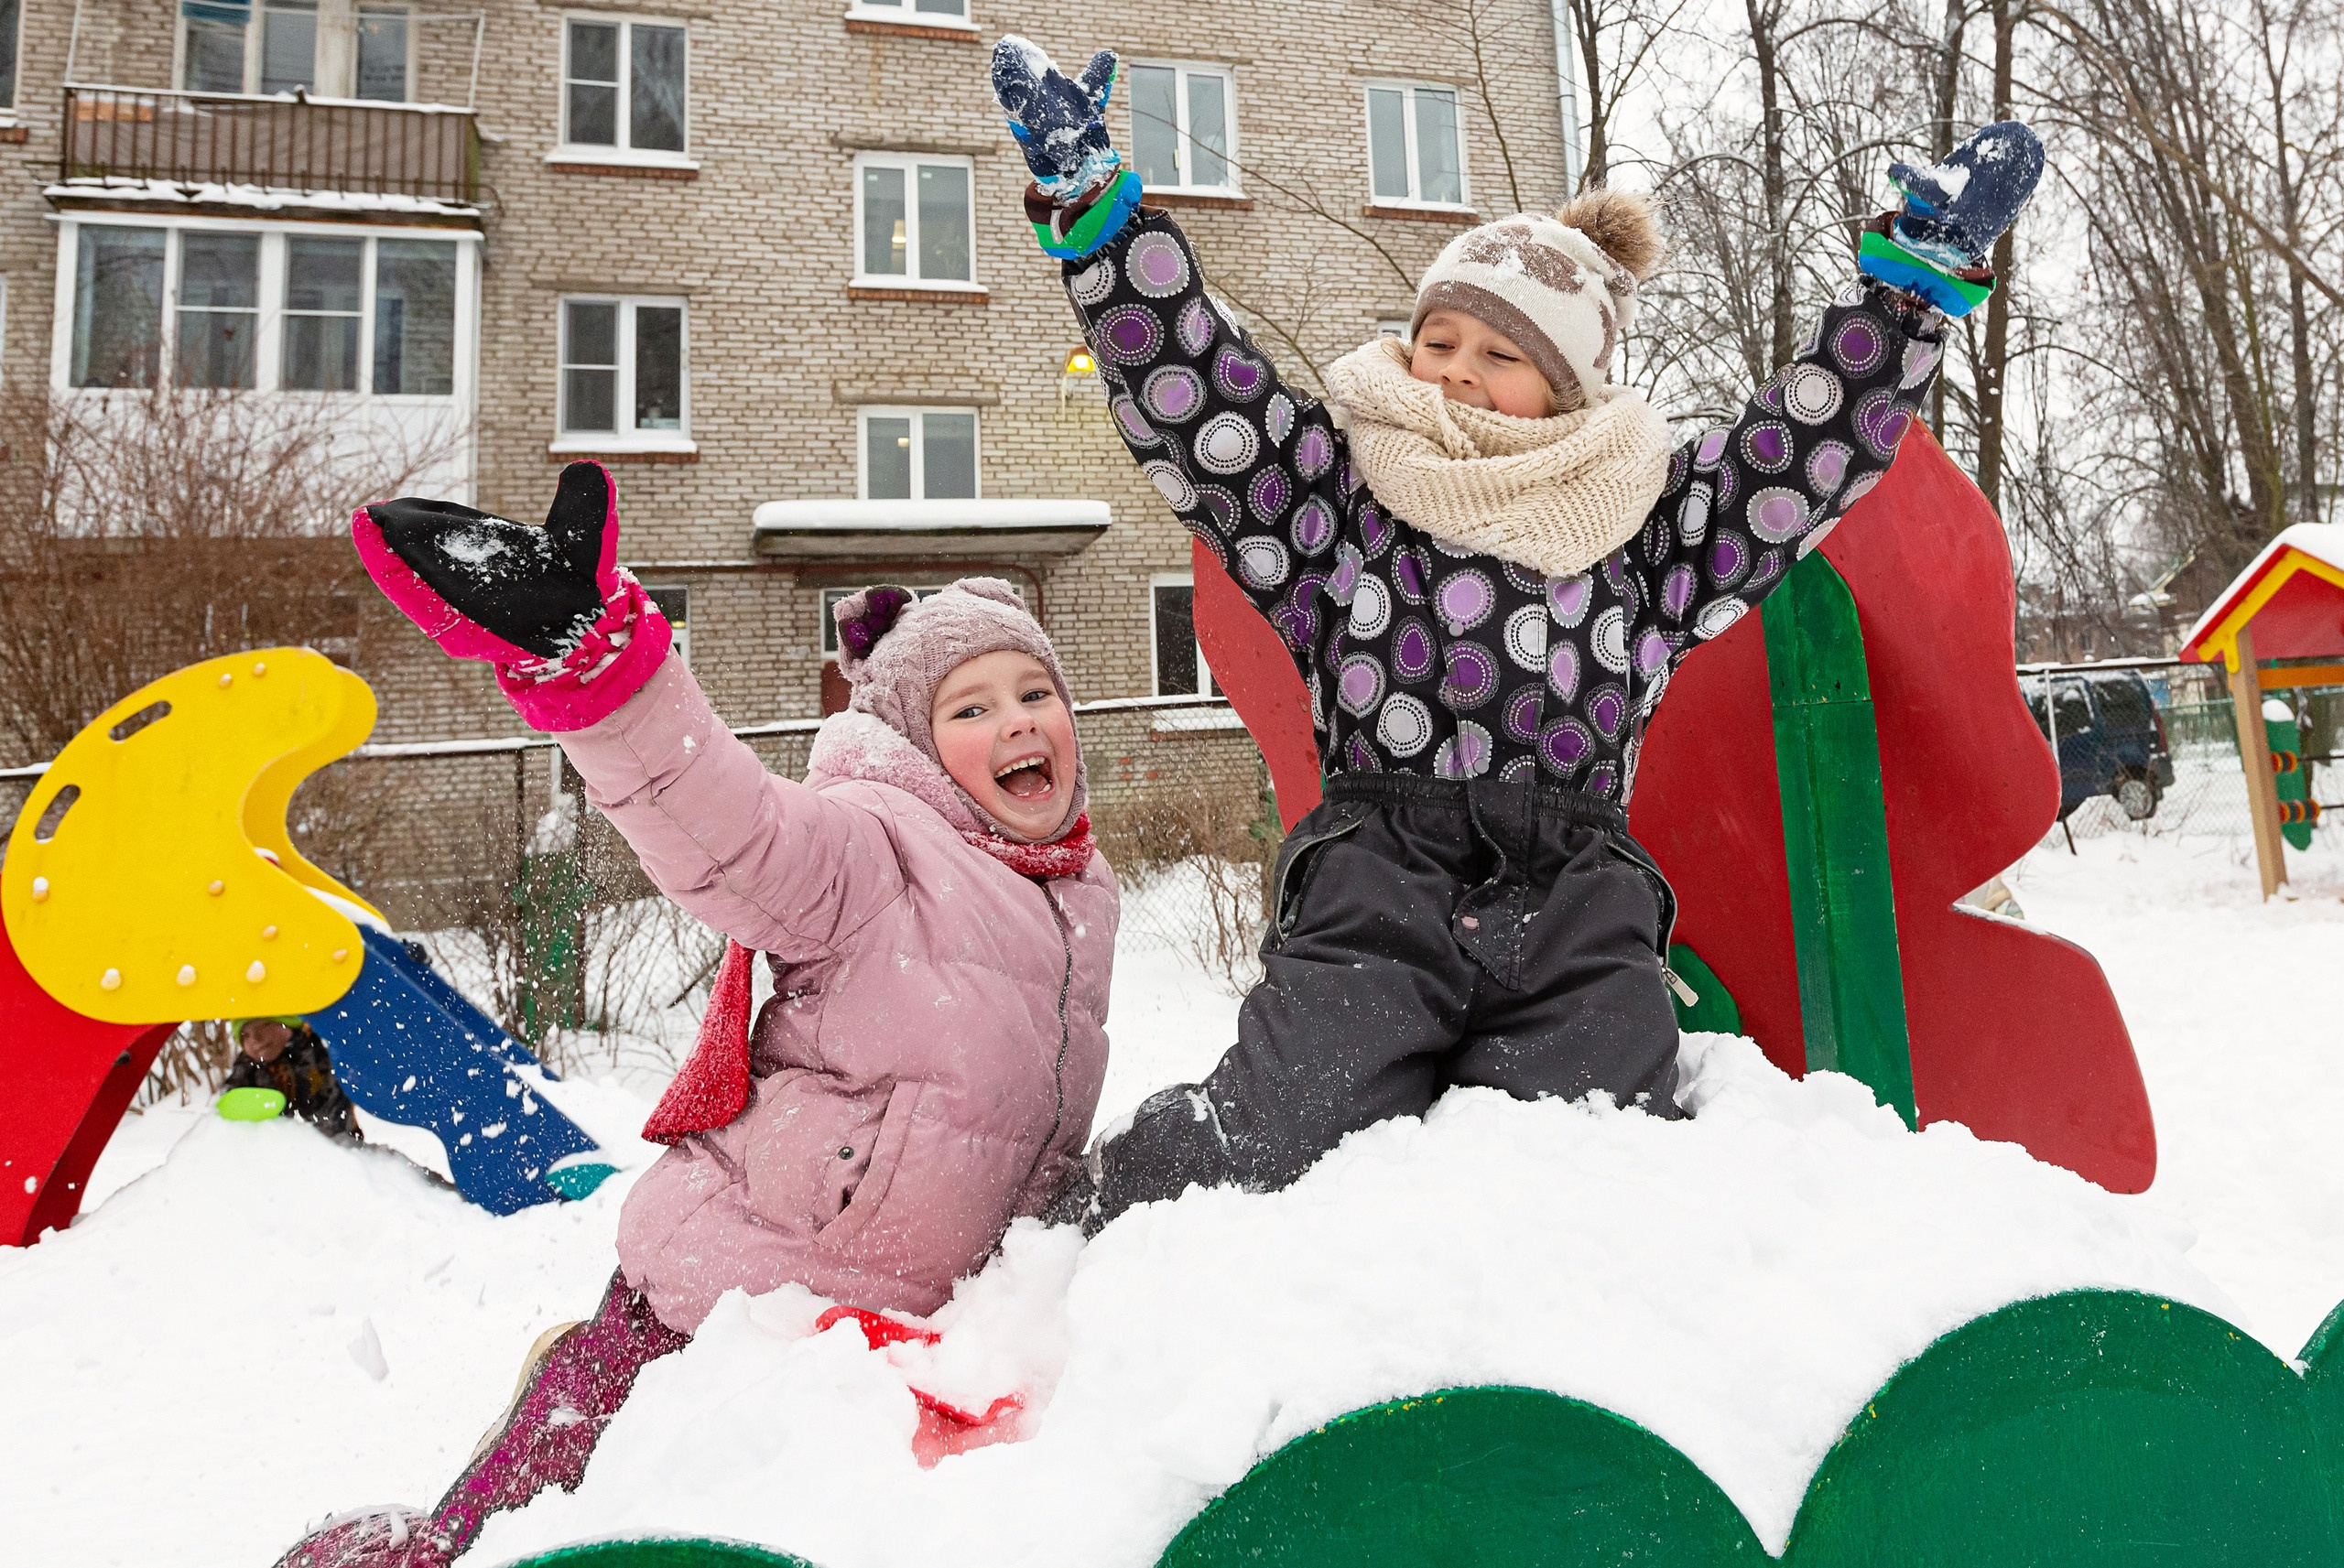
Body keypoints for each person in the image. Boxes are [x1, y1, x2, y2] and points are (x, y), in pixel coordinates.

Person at [989, 39, 2039, 1228]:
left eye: (1500, 356)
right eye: (1439, 343)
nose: (1458, 374)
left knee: (1599, 1161)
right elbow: (1203, 402)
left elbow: (1794, 460)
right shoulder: (1341, 508)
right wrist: (1101, 223)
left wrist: (1909, 293)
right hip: (1375, 889)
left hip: (1575, 906)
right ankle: (1078, 1238)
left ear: (1570, 389)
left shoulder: (1642, 531)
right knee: (1275, 1131)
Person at [276, 464, 1116, 1567]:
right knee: (533, 1525)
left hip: (896, 1338)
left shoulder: (1079, 893)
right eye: (972, 707)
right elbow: (731, 831)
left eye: (1034, 693)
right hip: (730, 1290)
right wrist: (607, 675)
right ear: (916, 746)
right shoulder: (872, 846)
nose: (1017, 720)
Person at [225, 1017, 361, 1142]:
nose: (255, 1038)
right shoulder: (248, 1064)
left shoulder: (318, 1050)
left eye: (264, 1025)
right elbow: (229, 1100)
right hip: (273, 1148)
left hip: (335, 1144)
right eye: (245, 1035)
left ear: (287, 1024)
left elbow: (331, 1113)